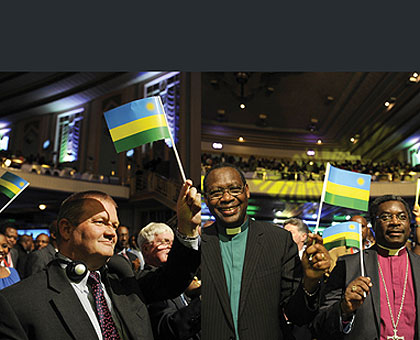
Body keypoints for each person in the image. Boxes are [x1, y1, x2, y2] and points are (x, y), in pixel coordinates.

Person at [0, 180, 200, 340]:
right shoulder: (17, 302)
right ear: (66, 229)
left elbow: (172, 281)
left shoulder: (123, 276)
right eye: (100, 222)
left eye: (114, 225)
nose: (111, 233)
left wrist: (187, 230)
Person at [201, 164, 331, 340]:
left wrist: (310, 280)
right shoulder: (198, 244)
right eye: (216, 193)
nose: (226, 198)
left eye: (234, 189)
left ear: (246, 191)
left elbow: (297, 316)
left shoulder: (278, 240)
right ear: (206, 199)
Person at [311, 194, 420, 339]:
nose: (395, 222)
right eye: (386, 217)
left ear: (409, 224)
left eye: (402, 217)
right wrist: (344, 309)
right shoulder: (349, 265)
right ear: (373, 225)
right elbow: (319, 324)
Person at [138, 222, 201, 340]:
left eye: (173, 243)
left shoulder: (178, 280)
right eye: (165, 242)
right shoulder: (146, 284)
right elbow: (171, 327)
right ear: (146, 248)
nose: (171, 247)